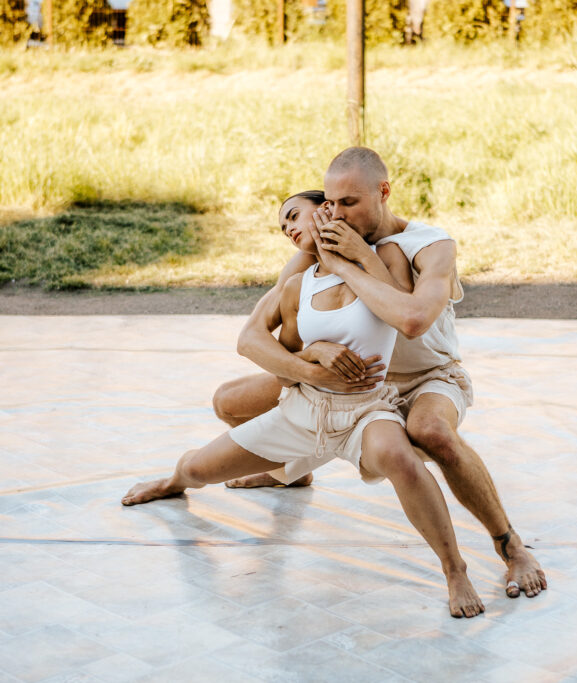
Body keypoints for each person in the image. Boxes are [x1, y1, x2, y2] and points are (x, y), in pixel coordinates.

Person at [123, 190, 486, 619]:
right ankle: (178, 480)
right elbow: (273, 357)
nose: (289, 229)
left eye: (295, 216)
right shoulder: (299, 279)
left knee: (400, 459)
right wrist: (313, 359)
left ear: (328, 209)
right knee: (199, 467)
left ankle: (455, 570)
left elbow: (405, 313)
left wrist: (350, 260)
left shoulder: (385, 258)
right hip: (304, 408)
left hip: (366, 408)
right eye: (283, 226)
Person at [214, 147, 547, 599]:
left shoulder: (430, 245)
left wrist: (353, 261)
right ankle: (290, 470)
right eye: (331, 203)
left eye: (350, 203)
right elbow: (257, 333)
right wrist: (310, 361)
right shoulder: (321, 246)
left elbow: (412, 319)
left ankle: (511, 546)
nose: (337, 214)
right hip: (351, 384)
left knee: (430, 430)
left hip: (427, 378)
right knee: (229, 402)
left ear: (384, 192)